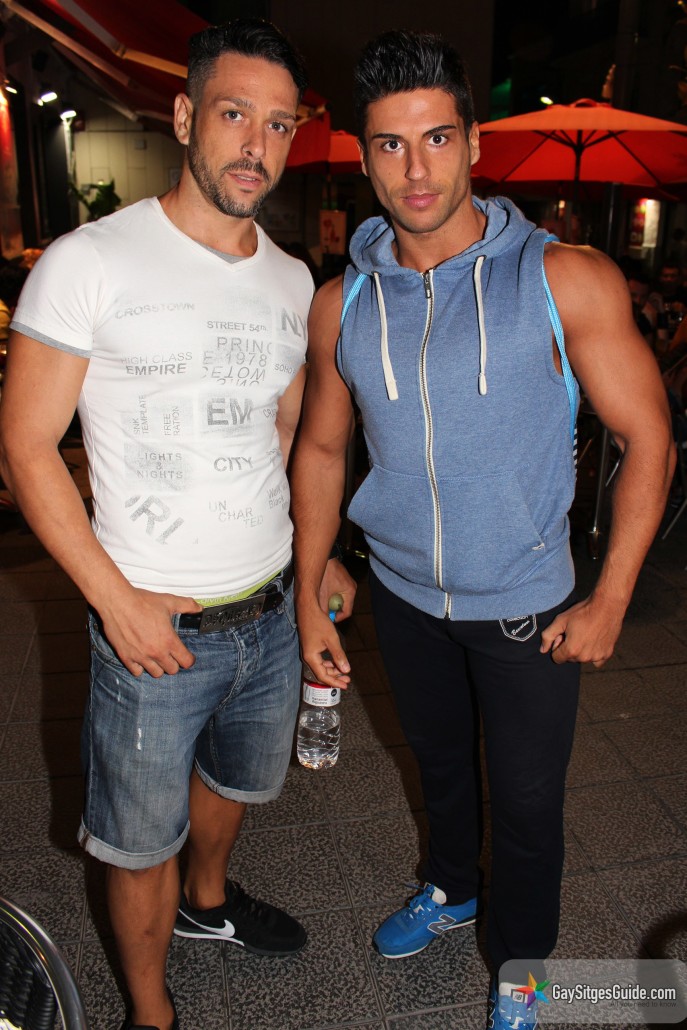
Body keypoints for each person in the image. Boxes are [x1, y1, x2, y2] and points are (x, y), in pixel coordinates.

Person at [289, 29, 674, 1030]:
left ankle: (524, 977)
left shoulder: (562, 277)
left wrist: (611, 596)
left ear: (472, 144)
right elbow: (322, 450)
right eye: (390, 144)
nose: (415, 169)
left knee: (530, 809)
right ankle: (451, 887)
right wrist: (310, 580)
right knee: (441, 770)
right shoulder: (342, 303)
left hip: (526, 605)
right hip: (404, 598)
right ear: (364, 155)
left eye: (436, 138)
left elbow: (648, 437)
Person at [0, 18, 354, 1030]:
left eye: (278, 124)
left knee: (234, 785)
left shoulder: (291, 279)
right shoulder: (89, 260)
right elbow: (25, 447)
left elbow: (287, 441)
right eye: (236, 114)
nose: (256, 144)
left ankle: (208, 904)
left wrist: (317, 568)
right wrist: (115, 604)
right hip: (151, 627)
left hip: (269, 612)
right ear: (188, 115)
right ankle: (151, 1015)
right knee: (137, 842)